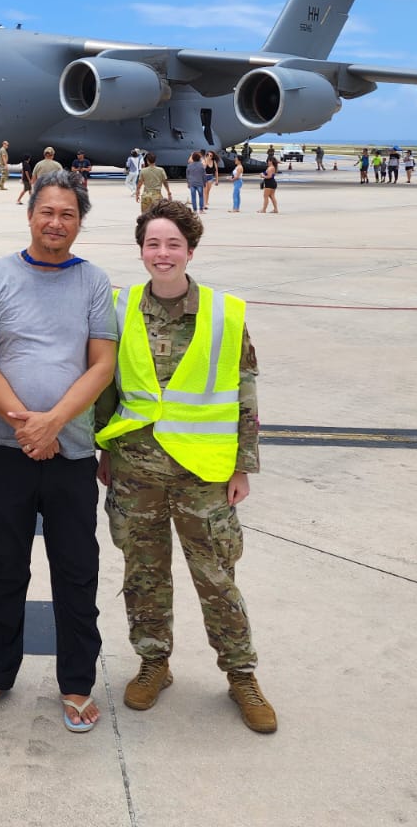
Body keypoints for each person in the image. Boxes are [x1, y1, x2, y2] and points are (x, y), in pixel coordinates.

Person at [93, 199, 275, 733]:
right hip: (136, 471)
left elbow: (245, 395)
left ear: (190, 250)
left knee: (217, 579)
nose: (163, 253)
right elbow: (108, 385)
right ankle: (154, 663)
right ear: (141, 250)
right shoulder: (119, 307)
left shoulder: (224, 313)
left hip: (203, 475)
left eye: (173, 244)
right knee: (143, 574)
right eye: (153, 244)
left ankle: (241, 674)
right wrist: (105, 448)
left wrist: (242, 467)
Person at [0, 171, 117, 733]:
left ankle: (76, 683)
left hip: (70, 453)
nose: (56, 222)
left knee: (77, 572)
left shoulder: (94, 283)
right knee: (2, 568)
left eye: (68, 214)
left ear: (79, 221)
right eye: (47, 211)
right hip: (7, 450)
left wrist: (53, 423)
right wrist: (25, 425)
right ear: (30, 214)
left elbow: (101, 364)